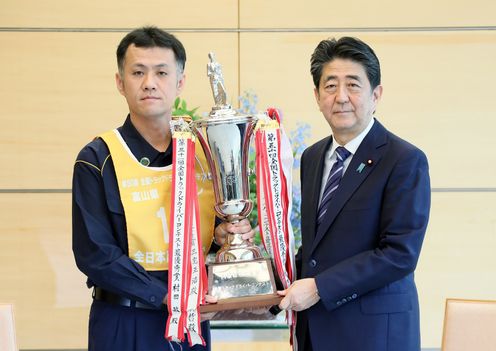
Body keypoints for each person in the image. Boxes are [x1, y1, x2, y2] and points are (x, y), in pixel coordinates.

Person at [72, 26, 254, 351]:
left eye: (161, 72)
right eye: (138, 72)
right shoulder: (98, 158)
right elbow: (95, 254)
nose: (149, 83)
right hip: (123, 320)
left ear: (180, 82)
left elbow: (211, 240)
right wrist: (166, 296)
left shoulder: (204, 154)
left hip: (191, 322)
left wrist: (227, 239)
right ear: (120, 82)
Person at [278, 37, 431, 350]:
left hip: (374, 333)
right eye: (330, 85)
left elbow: (399, 254)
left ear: (376, 95)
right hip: (316, 332)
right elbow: (316, 249)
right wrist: (259, 286)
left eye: (353, 85)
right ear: (317, 95)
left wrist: (320, 287)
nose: (341, 97)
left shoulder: (404, 160)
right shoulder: (312, 156)